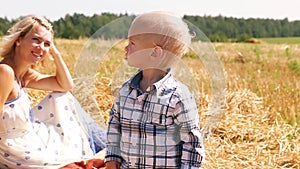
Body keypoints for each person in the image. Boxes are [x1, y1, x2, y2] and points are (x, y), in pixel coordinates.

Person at [0, 15, 106, 169]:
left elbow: (65, 86)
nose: (41, 47)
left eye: (46, 44)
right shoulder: (5, 72)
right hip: (16, 147)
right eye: (36, 40)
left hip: (29, 134)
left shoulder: (24, 75)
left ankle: (110, 146)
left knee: (62, 97)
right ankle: (113, 146)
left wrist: (55, 54)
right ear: (19, 39)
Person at [105, 11, 205, 169]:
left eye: (132, 43)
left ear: (155, 52)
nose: (125, 48)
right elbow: (114, 125)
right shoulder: (125, 91)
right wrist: (112, 156)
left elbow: (191, 144)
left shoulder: (177, 97)